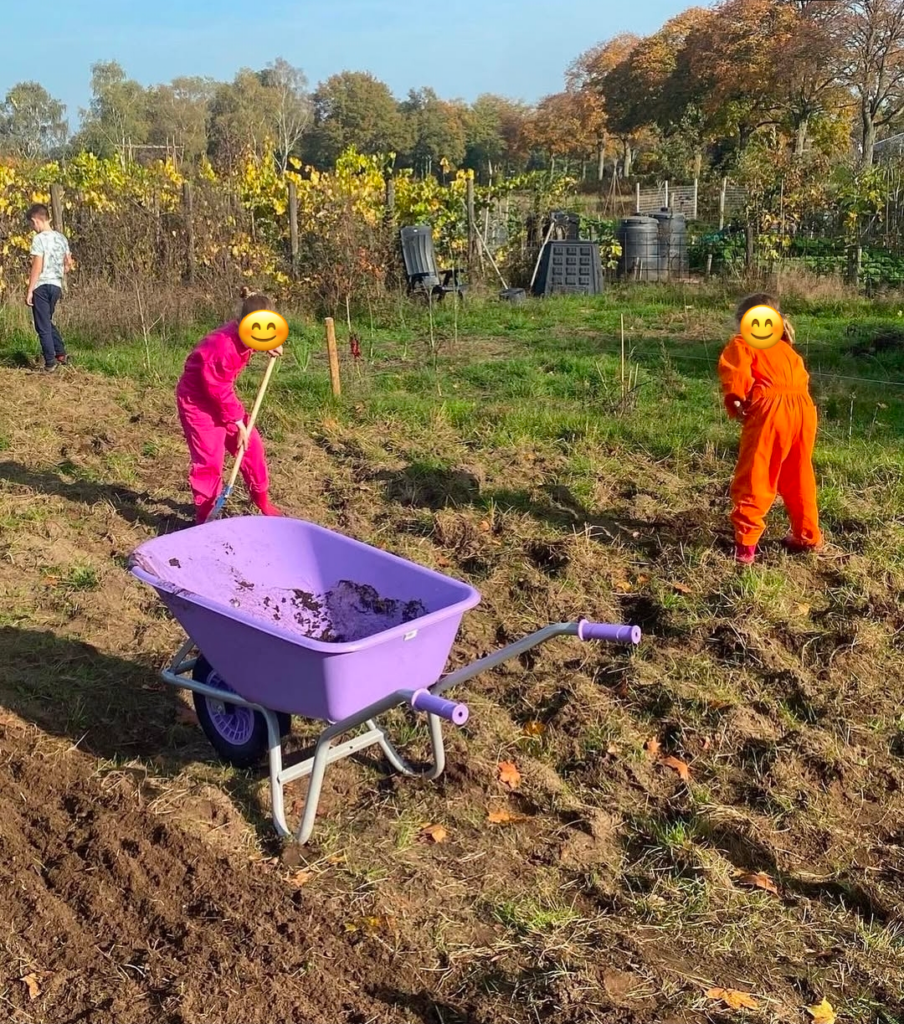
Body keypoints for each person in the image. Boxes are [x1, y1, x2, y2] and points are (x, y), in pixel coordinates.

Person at [718, 292, 822, 565]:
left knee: (757, 473)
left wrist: (736, 397)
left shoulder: (743, 342)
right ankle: (807, 535)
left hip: (770, 411)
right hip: (804, 410)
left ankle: (746, 546)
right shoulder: (787, 348)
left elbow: (736, 372)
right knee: (798, 472)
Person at [176, 288, 283, 524]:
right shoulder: (222, 348)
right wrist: (237, 423)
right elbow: (216, 388)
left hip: (221, 397)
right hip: (198, 402)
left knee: (251, 447)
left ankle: (261, 500)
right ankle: (205, 516)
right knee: (210, 461)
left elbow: (222, 390)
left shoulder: (249, 334)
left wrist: (268, 346)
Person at [25, 203, 73, 372]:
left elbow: (37, 265)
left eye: (31, 225)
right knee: (46, 321)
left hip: (42, 286)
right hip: (56, 285)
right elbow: (68, 264)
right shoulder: (61, 238)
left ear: (35, 221)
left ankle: (50, 362)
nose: (32, 228)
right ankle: (60, 353)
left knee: (42, 325)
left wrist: (30, 289)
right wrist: (58, 271)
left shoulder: (39, 239)